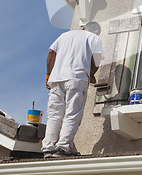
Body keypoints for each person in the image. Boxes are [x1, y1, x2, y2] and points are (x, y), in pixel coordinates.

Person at [42, 22, 103, 158]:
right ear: (96, 31)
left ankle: (48, 148)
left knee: (54, 115)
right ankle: (62, 148)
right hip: (77, 78)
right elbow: (97, 59)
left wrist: (48, 75)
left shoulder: (64, 35)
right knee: (72, 113)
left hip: (57, 79)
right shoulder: (94, 38)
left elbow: (51, 53)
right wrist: (91, 75)